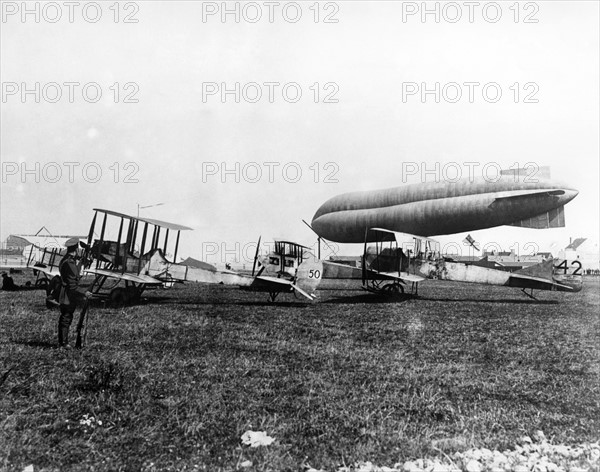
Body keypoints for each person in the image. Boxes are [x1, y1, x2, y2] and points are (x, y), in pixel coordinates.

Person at [57, 238, 92, 348]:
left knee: (67, 317)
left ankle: (64, 342)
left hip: (66, 292)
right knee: (66, 317)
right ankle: (63, 343)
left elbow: (74, 272)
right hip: (68, 294)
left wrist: (82, 261)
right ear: (76, 249)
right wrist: (84, 292)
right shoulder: (69, 263)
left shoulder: (66, 260)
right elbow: (73, 285)